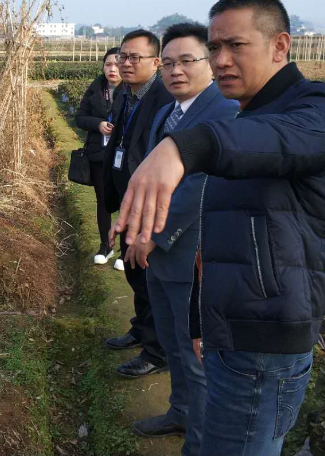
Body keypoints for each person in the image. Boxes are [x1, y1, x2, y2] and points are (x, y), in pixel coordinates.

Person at [114, 0, 325, 455]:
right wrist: (201, 317)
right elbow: (222, 236)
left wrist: (183, 147)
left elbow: (274, 140)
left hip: (264, 340)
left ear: (280, 46)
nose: (222, 60)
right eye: (216, 47)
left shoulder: (317, 108)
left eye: (236, 46)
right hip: (230, 326)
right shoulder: (248, 112)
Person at [122, 23, 238, 454]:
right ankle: (180, 412)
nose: (176, 71)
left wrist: (153, 235)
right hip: (162, 255)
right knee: (172, 343)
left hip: (193, 255)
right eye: (169, 63)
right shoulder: (169, 111)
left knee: (195, 353)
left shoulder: (223, 112)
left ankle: (200, 441)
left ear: (210, 62)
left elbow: (198, 187)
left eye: (187, 61)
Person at [102, 29, 173, 377]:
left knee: (150, 277)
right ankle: (141, 329)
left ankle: (157, 352)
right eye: (122, 57)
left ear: (156, 62)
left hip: (151, 205)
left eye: (135, 57)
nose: (125, 63)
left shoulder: (164, 99)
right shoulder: (126, 94)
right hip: (129, 199)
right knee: (134, 272)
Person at [74, 47, 123, 265]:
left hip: (123, 155)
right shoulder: (95, 89)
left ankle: (125, 250)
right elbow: (80, 117)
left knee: (126, 200)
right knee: (102, 200)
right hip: (98, 154)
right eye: (108, 64)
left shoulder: (132, 90)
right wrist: (98, 124)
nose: (113, 69)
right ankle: (106, 246)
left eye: (117, 64)